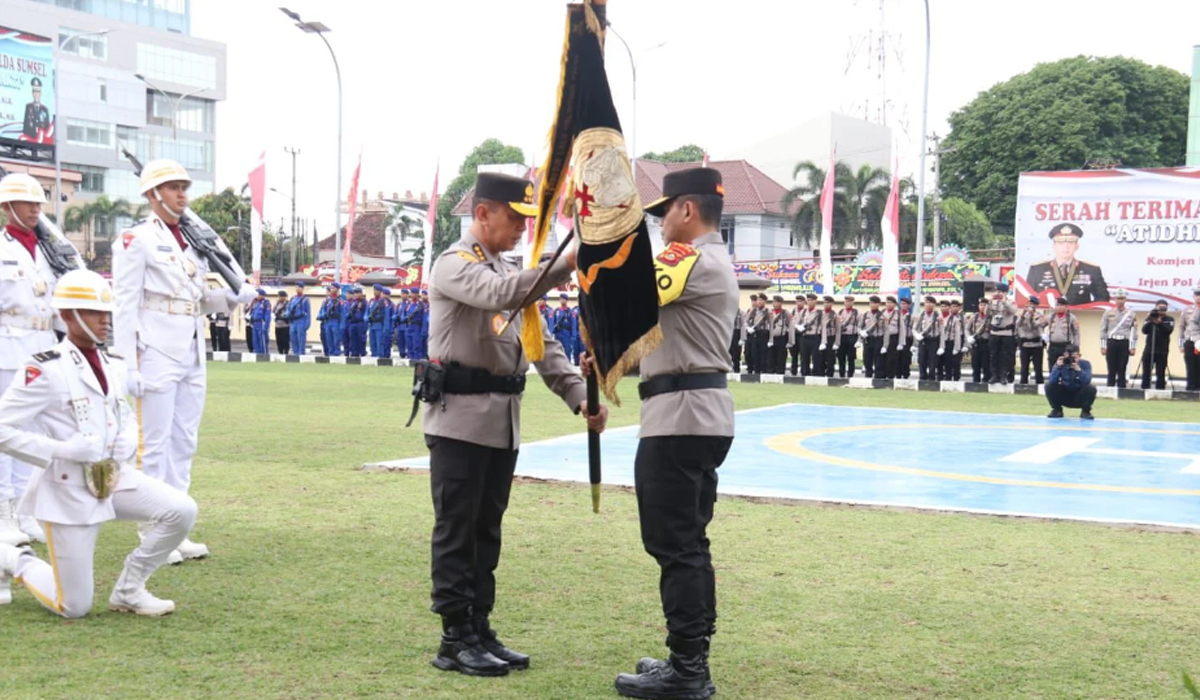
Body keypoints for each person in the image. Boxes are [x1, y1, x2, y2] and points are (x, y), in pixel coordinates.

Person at [421, 172, 607, 677]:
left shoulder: (507, 269)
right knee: (458, 530)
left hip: (500, 423)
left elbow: (540, 342)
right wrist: (562, 265)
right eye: (515, 217)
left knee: (487, 531)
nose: (525, 227)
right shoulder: (454, 265)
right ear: (482, 214)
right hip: (459, 421)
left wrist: (577, 396)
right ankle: (454, 635)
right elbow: (503, 294)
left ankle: (479, 626)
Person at [0, 269, 198, 616]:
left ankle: (130, 589)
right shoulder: (45, 369)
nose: (106, 321)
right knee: (73, 606)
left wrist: (126, 440)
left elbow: (122, 412)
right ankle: (12, 559)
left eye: (107, 313)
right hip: (67, 490)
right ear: (67, 316)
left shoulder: (115, 364)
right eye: (94, 313)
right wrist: (60, 450)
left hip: (114, 478)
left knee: (180, 511)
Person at [615, 167, 736, 699]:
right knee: (688, 541)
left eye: (664, 212)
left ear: (687, 210)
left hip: (681, 415)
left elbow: (625, 294)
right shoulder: (710, 261)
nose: (661, 224)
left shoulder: (688, 257)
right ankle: (688, 656)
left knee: (675, 544)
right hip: (696, 411)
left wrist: (599, 243)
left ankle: (689, 670)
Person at [111, 158, 256, 563]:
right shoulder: (135, 239)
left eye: (183, 187)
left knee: (183, 442)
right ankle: (151, 526)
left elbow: (193, 299)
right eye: (173, 187)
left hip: (192, 346)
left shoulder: (194, 241)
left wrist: (230, 297)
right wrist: (128, 363)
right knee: (153, 444)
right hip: (153, 349)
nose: (182, 194)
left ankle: (176, 526)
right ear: (153, 195)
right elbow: (124, 304)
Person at [0, 172, 81, 547]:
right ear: (7, 207)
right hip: (6, 346)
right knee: (4, 433)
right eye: (28, 203)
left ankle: (26, 510)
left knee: (34, 434)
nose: (36, 209)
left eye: (39, 203)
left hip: (44, 346)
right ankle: (3, 511)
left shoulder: (53, 252)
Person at [1025, 223, 1109, 305]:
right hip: (1047, 317)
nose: (1065, 247)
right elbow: (1028, 299)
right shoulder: (1037, 270)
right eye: (1061, 243)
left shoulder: (1091, 270)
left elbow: (1103, 300)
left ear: (1077, 246)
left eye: (1070, 243)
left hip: (1079, 317)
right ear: (1054, 245)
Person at [1099, 289, 1138, 388]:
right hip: (1111, 341)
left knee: (1122, 367)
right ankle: (1110, 387)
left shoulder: (1131, 314)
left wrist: (1133, 346)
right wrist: (1102, 346)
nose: (1120, 301)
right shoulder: (1108, 313)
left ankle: (1122, 388)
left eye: (1122, 299)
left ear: (1125, 300)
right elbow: (1103, 330)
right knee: (1111, 367)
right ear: (1115, 300)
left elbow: (1133, 331)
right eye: (1118, 299)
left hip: (1124, 342)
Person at [1046, 343, 1096, 420]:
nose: (1071, 360)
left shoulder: (1085, 364)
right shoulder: (1060, 363)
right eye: (1068, 357)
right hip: (1064, 394)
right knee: (1048, 385)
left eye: (1074, 358)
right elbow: (1052, 381)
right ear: (1064, 355)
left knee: (1091, 388)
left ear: (1080, 356)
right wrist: (1057, 367)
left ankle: (1086, 411)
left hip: (1079, 395)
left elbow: (1087, 381)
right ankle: (1057, 410)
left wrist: (1079, 370)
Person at [1139, 299, 1174, 390]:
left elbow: (1169, 330)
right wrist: (1151, 320)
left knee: (1160, 372)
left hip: (1162, 350)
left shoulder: (1169, 319)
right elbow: (1144, 331)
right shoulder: (1149, 318)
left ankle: (1160, 390)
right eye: (1159, 308)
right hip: (1149, 349)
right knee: (1146, 371)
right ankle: (1145, 389)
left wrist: (1160, 323)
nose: (1161, 310)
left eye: (1164, 308)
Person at [987, 286, 1018, 385]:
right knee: (993, 355)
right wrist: (990, 302)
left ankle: (1003, 375)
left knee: (1005, 356)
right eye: (996, 291)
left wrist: (1004, 301)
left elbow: (1013, 311)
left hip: (1006, 333)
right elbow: (986, 313)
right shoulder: (993, 302)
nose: (998, 293)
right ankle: (994, 375)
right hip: (995, 332)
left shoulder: (1011, 302)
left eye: (1000, 291)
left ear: (1005, 292)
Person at [1016, 295, 1048, 385]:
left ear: (1036, 305)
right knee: (1024, 366)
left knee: (1038, 367)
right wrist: (1023, 314)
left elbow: (1033, 326)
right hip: (1025, 343)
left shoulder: (1040, 315)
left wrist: (1031, 316)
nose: (1030, 306)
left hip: (1036, 344)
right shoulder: (1022, 314)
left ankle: (1039, 384)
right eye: (1029, 303)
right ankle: (1023, 383)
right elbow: (1018, 324)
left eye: (1033, 304)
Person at [1046, 298, 1080, 369]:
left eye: (1061, 305)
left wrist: (1076, 348)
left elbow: (1076, 333)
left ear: (1065, 306)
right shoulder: (1050, 317)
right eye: (1057, 305)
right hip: (1053, 346)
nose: (1058, 307)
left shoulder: (1071, 318)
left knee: (1066, 368)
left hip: (1065, 347)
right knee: (1052, 368)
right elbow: (1039, 325)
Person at [913, 296, 941, 381]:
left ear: (934, 304)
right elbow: (914, 328)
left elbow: (942, 332)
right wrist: (916, 336)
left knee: (932, 361)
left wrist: (942, 346)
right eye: (926, 302)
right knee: (922, 360)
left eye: (930, 303)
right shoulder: (920, 315)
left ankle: (932, 379)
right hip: (923, 340)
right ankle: (922, 378)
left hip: (933, 340)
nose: (928, 305)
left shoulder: (938, 316)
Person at [876, 296, 905, 379]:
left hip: (893, 338)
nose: (888, 304)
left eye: (891, 302)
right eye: (887, 302)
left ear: (895, 304)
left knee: (891, 359)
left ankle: (890, 376)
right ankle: (881, 376)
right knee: (881, 358)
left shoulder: (898, 314)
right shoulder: (881, 313)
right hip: (882, 338)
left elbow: (902, 328)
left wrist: (901, 343)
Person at [965, 299, 991, 383]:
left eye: (984, 305)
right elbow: (967, 329)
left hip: (987, 343)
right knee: (975, 364)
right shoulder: (975, 316)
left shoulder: (991, 317)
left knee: (986, 364)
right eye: (981, 305)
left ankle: (986, 381)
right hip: (976, 343)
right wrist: (969, 337)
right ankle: (975, 381)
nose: (982, 307)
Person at [816, 295, 840, 377]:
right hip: (820, 338)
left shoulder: (834, 315)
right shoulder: (819, 313)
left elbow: (838, 329)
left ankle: (830, 374)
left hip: (830, 338)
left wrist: (836, 342)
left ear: (832, 303)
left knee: (830, 358)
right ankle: (821, 374)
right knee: (820, 358)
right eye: (824, 302)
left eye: (827, 302)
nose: (825, 304)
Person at [941, 299, 964, 381]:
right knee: (947, 361)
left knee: (956, 361)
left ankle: (956, 377)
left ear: (959, 307)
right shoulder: (947, 318)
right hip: (946, 341)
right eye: (952, 306)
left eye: (956, 306)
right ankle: (948, 377)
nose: (954, 308)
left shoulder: (962, 317)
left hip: (958, 340)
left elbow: (963, 331)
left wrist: (965, 345)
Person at [21, 78, 51, 143]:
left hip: (41, 141)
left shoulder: (45, 110)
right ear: (32, 93)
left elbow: (47, 129)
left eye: (38, 92)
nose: (36, 94)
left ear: (40, 93)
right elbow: (25, 127)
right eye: (34, 91)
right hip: (29, 139)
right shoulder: (28, 107)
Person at [860, 296, 883, 378]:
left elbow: (885, 329)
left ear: (878, 304)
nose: (872, 305)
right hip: (867, 339)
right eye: (871, 303)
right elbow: (860, 326)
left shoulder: (881, 315)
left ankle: (878, 377)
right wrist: (861, 333)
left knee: (878, 360)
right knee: (867, 359)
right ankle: (868, 376)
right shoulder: (866, 314)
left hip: (878, 339)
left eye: (874, 303)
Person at [836, 296, 859, 378]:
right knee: (841, 356)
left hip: (852, 337)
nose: (848, 303)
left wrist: (859, 339)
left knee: (851, 357)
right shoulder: (841, 312)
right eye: (846, 301)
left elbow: (859, 325)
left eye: (850, 301)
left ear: (853, 303)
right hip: (842, 337)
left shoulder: (856, 313)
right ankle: (841, 374)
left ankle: (850, 375)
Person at [1182, 288, 1200, 391]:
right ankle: (1190, 387)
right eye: (1196, 295)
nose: (1198, 297)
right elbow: (1182, 327)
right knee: (1190, 363)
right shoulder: (1187, 310)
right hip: (1189, 340)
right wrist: (1180, 344)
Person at [744, 295, 767, 374]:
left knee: (763, 353)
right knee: (752, 353)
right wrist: (747, 328)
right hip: (752, 333)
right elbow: (745, 321)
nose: (755, 302)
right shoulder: (752, 311)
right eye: (754, 301)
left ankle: (763, 371)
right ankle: (753, 369)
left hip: (763, 333)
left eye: (757, 300)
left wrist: (771, 339)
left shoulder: (766, 311)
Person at [318, 284, 342, 356]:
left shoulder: (340, 301)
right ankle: (330, 354)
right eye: (331, 288)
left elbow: (343, 314)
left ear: (337, 289)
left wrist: (342, 326)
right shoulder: (327, 301)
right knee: (328, 340)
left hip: (336, 321)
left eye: (333, 288)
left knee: (336, 340)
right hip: (328, 322)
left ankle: (336, 354)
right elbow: (323, 310)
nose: (331, 289)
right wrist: (322, 315)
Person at [288, 282, 311, 356]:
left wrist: (307, 324)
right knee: (293, 337)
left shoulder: (305, 299)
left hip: (301, 321)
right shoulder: (292, 298)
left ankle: (301, 353)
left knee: (301, 338)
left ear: (302, 288)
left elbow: (308, 312)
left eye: (299, 287)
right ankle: (295, 353)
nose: (297, 289)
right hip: (293, 321)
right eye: (296, 287)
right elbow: (288, 309)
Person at [767, 295, 789, 374]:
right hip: (771, 338)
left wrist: (790, 340)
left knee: (781, 357)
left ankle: (780, 372)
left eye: (777, 302)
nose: (775, 304)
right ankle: (770, 372)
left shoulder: (785, 313)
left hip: (781, 338)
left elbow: (790, 326)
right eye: (774, 302)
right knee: (770, 357)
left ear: (781, 303)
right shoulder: (769, 313)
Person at [552, 293, 576, 361]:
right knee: (557, 351)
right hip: (558, 333)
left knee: (567, 350)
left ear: (567, 300)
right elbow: (553, 322)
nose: (562, 300)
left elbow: (573, 324)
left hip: (566, 333)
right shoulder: (557, 311)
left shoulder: (570, 311)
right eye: (561, 299)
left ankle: (568, 365)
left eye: (564, 299)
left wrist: (573, 336)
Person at [346, 287, 368, 358]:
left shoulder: (364, 302)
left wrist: (365, 325)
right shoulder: (353, 302)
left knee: (361, 339)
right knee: (353, 339)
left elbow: (366, 313)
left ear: (361, 293)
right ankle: (354, 353)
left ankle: (362, 353)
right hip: (352, 323)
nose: (355, 295)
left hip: (360, 323)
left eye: (357, 293)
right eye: (355, 293)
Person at [897, 297, 914, 379]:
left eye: (905, 304)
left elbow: (913, 330)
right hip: (897, 339)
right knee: (897, 358)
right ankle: (898, 375)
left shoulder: (912, 317)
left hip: (907, 339)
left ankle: (906, 375)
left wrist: (914, 344)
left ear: (909, 305)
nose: (903, 305)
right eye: (902, 304)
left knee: (906, 359)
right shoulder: (897, 315)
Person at [250, 289, 271, 355]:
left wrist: (266, 326)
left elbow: (267, 316)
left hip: (261, 323)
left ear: (262, 295)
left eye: (257, 294)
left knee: (262, 341)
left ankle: (264, 356)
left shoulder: (266, 303)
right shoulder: (256, 303)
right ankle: (257, 354)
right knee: (255, 341)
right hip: (255, 323)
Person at [272, 290, 291, 355]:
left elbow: (289, 313)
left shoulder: (288, 304)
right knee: (279, 340)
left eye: (280, 296)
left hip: (285, 325)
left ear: (284, 297)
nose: (279, 298)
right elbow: (273, 311)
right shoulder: (277, 304)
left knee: (285, 340)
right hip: (277, 325)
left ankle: (286, 351)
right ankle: (280, 351)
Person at [728, 302, 743, 373]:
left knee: (736, 353)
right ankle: (729, 369)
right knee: (728, 352)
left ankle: (736, 370)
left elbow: (743, 325)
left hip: (737, 332)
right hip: (729, 331)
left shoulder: (740, 312)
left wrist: (742, 338)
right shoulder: (728, 311)